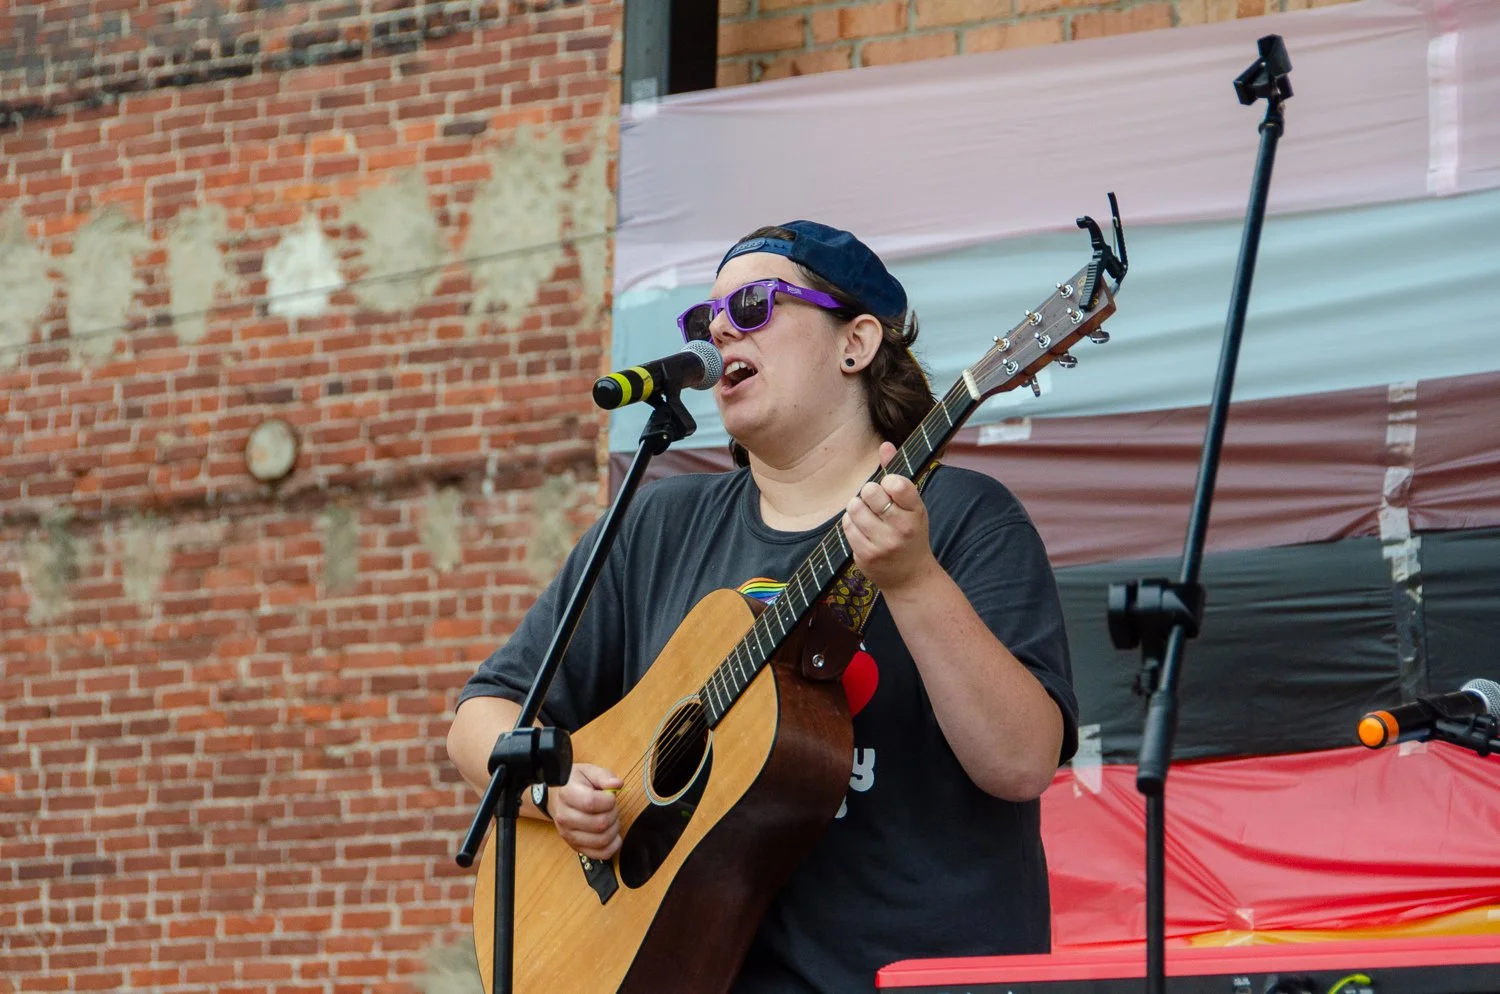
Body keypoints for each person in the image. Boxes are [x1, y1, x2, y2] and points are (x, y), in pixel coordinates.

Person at [446, 220, 1079, 992]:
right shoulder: (657, 527)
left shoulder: (970, 517)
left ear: (857, 343)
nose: (718, 329)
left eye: (752, 305)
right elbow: (483, 716)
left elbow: (1020, 763)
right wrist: (556, 786)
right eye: (704, 318)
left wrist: (913, 582)